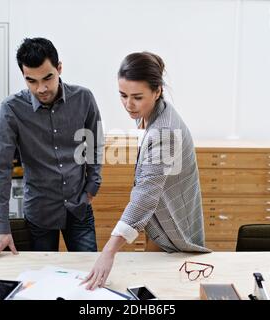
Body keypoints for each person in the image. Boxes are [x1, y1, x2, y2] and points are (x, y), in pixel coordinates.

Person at [82, 52, 211, 290]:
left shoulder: (165, 133)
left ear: (157, 91)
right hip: (161, 215)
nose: (129, 105)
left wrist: (109, 251)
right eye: (123, 95)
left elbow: (144, 196)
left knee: (161, 290)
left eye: (137, 97)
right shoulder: (151, 111)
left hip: (172, 224)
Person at [0, 38, 103, 261]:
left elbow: (94, 144)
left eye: (48, 78)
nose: (41, 88)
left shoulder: (84, 98)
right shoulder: (11, 109)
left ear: (59, 68)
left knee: (88, 272)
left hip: (79, 207)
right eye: (31, 81)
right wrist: (1, 226)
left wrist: (92, 186)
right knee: (42, 278)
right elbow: (1, 169)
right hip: (39, 212)